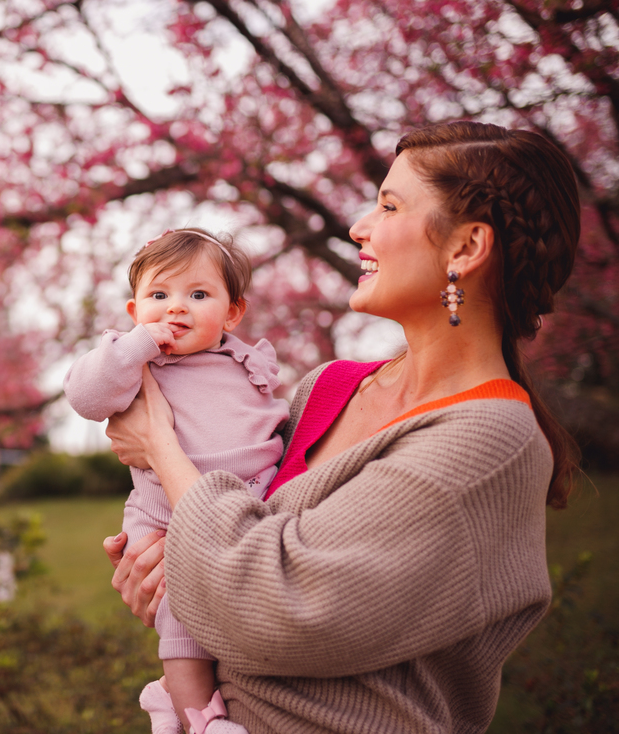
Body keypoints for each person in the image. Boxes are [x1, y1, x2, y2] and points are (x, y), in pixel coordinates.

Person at [102, 121, 581, 733]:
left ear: (465, 249)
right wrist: (165, 566)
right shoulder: (326, 388)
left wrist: (160, 446)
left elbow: (275, 609)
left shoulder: (489, 440)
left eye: (388, 205)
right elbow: (221, 561)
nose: (359, 226)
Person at [64, 228, 288, 734]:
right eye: (159, 296)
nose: (176, 309)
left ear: (233, 313)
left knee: (235, 612)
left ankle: (172, 702)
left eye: (198, 295)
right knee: (181, 615)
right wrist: (136, 346)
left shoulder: (246, 363)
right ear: (134, 309)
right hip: (162, 513)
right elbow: (85, 398)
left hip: (248, 501)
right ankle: (197, 721)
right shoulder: (137, 363)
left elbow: (273, 426)